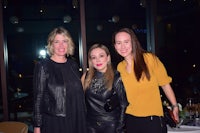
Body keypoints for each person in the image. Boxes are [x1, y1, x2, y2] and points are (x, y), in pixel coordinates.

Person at [112, 28, 179, 133]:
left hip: (152, 119)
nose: (123, 46)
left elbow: (165, 84)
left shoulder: (149, 59)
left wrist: (174, 105)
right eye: (119, 43)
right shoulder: (120, 67)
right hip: (131, 119)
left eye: (126, 42)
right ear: (115, 46)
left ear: (133, 42)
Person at [33, 27, 86, 133]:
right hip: (55, 120)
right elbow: (38, 98)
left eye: (64, 41)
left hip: (76, 118)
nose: (61, 45)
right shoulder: (43, 66)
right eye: (57, 41)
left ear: (69, 43)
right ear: (51, 44)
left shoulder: (73, 65)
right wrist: (37, 126)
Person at [81, 43, 129, 133]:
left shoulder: (116, 77)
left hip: (110, 125)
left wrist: (120, 127)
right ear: (91, 61)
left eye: (101, 56)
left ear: (108, 58)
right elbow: (80, 100)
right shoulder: (86, 76)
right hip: (90, 124)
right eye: (94, 57)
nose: (98, 60)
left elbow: (124, 104)